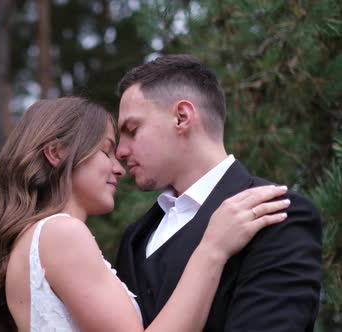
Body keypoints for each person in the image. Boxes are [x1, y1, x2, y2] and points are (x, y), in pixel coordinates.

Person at [0, 96, 291, 332]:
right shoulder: (60, 233)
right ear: (57, 153)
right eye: (106, 150)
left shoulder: (31, 241)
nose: (118, 167)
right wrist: (213, 249)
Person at [114, 54, 322, 331]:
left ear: (181, 117)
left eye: (131, 129)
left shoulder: (278, 214)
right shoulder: (135, 238)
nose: (120, 151)